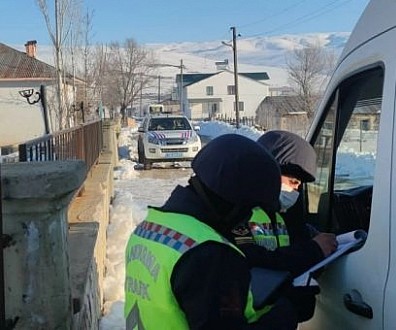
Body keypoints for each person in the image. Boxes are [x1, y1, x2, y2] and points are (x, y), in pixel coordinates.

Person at [124, 134, 303, 329]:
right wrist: (284, 316)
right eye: (249, 208)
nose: (247, 216)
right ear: (235, 204)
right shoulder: (212, 254)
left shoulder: (151, 228)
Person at [231, 130, 338, 322]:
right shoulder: (238, 211)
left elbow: (300, 245)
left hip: (279, 317)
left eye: (299, 186)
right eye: (293, 182)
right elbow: (251, 258)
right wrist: (313, 250)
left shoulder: (285, 214)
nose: (295, 191)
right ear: (269, 173)